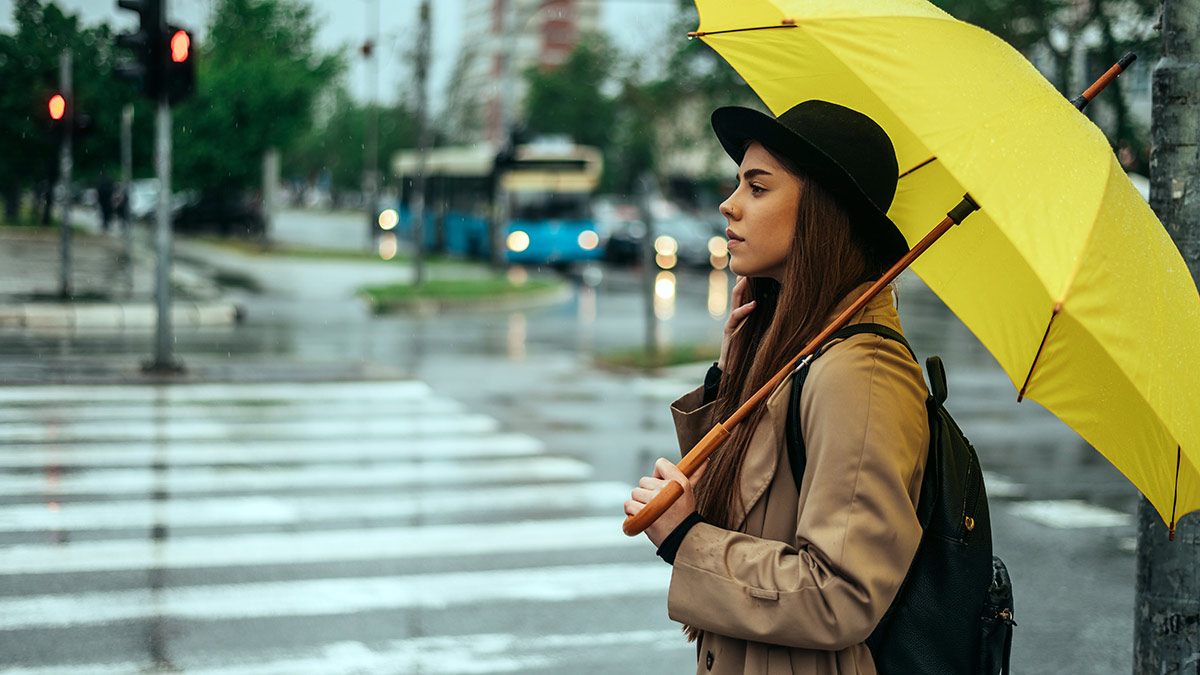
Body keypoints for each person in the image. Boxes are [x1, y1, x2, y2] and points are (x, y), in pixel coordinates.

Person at [624, 100, 930, 675]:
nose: (728, 204)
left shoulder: (860, 372)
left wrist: (685, 541)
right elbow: (752, 506)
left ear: (820, 212)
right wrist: (731, 375)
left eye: (757, 188)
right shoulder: (800, 350)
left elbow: (842, 595)